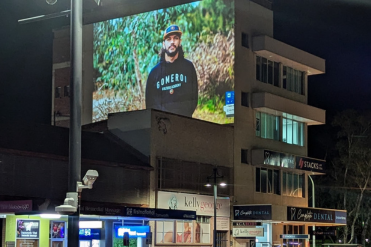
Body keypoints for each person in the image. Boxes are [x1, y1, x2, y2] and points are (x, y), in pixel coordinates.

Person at [145, 24, 198, 117]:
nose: (172, 42)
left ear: (180, 41)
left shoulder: (188, 67)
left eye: (175, 38)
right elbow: (150, 105)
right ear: (164, 43)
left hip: (184, 123)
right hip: (162, 127)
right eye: (168, 39)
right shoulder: (154, 74)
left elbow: (193, 99)